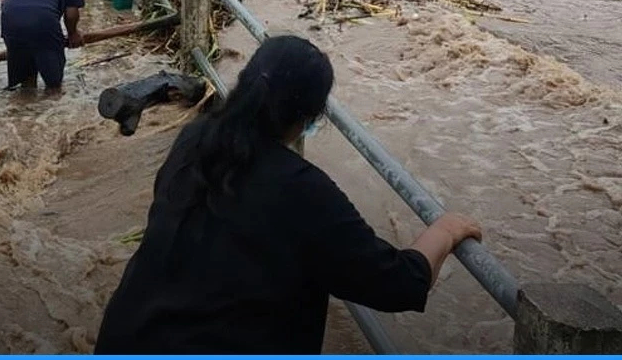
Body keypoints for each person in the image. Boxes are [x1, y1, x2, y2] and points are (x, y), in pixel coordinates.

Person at [94, 35, 484, 354]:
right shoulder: (302, 189)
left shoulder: (194, 139)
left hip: (127, 336)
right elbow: (398, 283)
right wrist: (444, 232)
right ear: (311, 116)